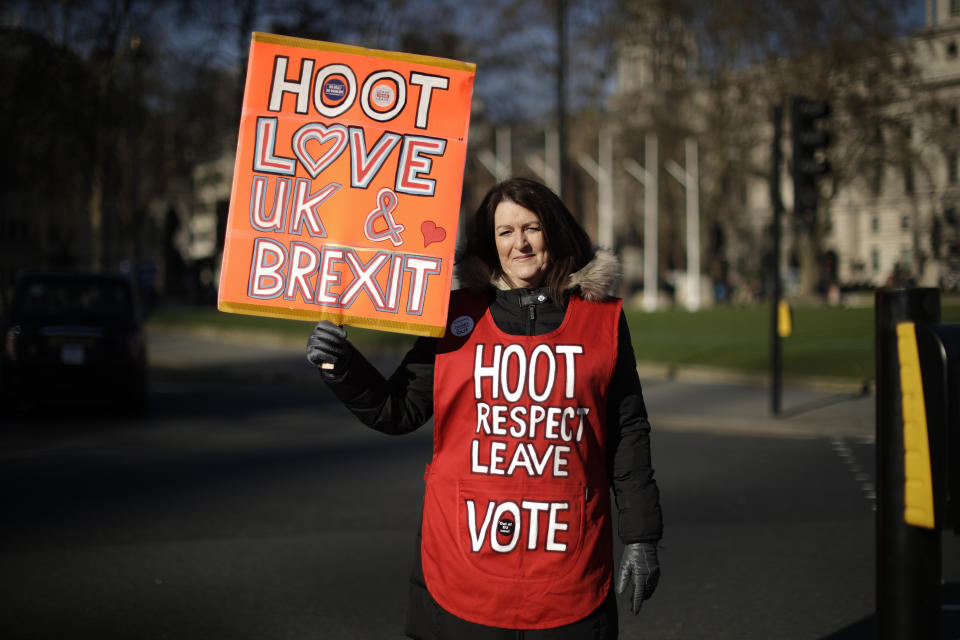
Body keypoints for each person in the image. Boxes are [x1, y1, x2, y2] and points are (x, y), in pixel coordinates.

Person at [306, 177, 663, 639]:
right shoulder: (455, 316)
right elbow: (398, 411)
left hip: (568, 563)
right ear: (490, 243)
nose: (520, 243)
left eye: (531, 227)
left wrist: (641, 536)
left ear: (554, 230)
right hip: (461, 563)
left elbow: (627, 433)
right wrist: (341, 363)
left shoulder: (604, 321)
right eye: (505, 232)